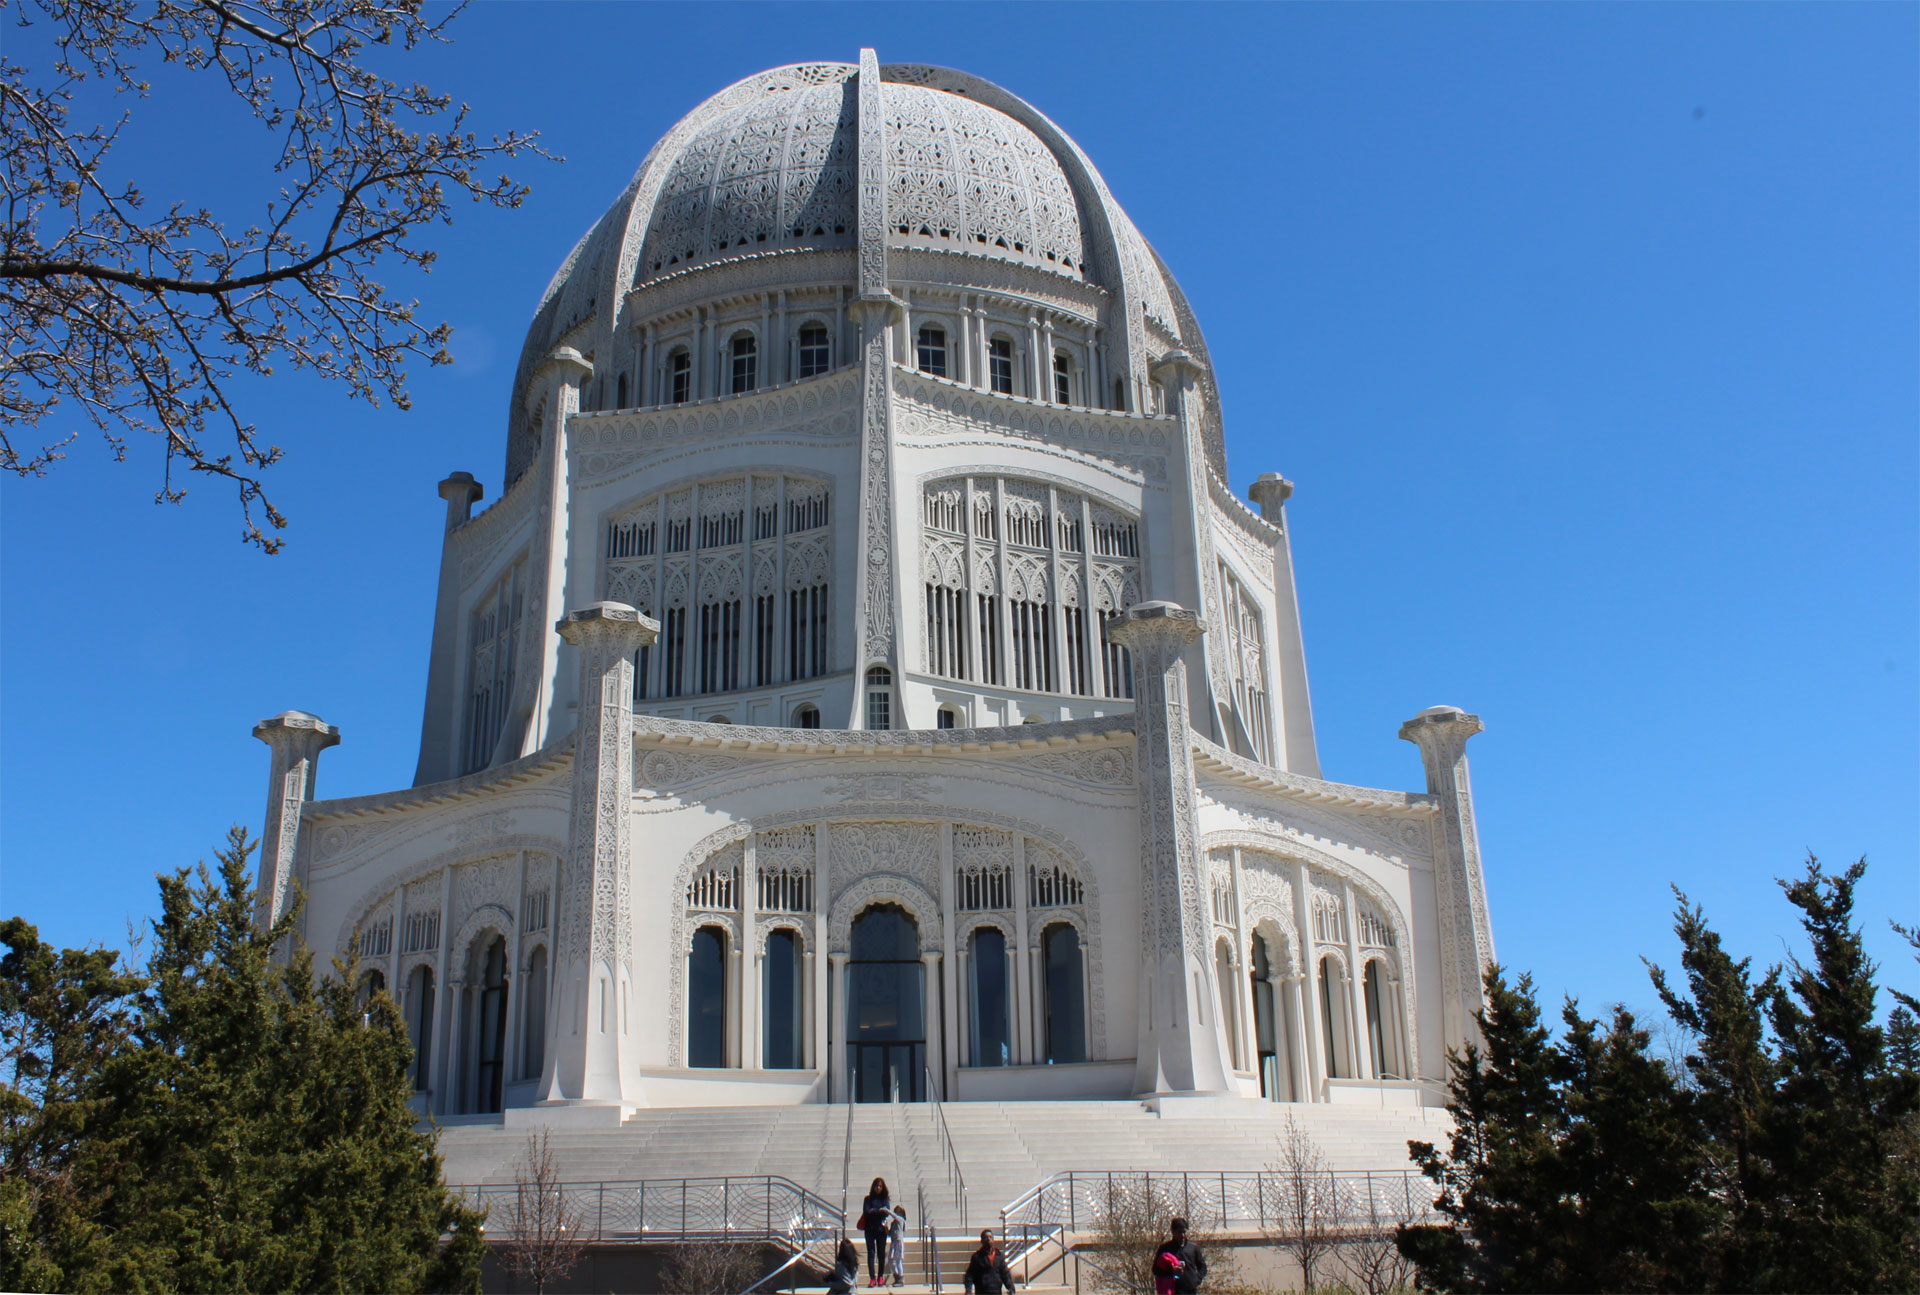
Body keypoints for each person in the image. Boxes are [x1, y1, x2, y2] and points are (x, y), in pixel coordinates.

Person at [1153, 1217, 1206, 1295]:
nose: (1182, 1235)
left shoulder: (1193, 1248)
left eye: (1184, 1232)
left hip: (1190, 1290)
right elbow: (1155, 1270)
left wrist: (1196, 1279)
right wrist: (1171, 1271)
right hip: (1173, 1290)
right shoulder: (1165, 1248)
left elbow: (1202, 1267)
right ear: (1173, 1232)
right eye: (1179, 1232)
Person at [859, 1177, 892, 1288]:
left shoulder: (885, 1199)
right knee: (871, 1253)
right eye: (876, 1186)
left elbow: (886, 1212)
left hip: (881, 1229)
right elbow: (866, 1212)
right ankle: (872, 1278)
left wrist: (874, 1211)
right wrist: (879, 1211)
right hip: (870, 1229)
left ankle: (880, 1277)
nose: (878, 1188)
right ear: (873, 1187)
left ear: (883, 1188)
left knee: (881, 1254)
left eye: (880, 1186)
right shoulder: (868, 1199)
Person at [964, 1228, 1017, 1294]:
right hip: (982, 1291)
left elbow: (1005, 1274)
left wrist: (1011, 1289)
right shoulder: (977, 1257)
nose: (988, 1239)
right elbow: (970, 1275)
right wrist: (968, 1290)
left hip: (996, 1291)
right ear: (981, 1241)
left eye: (990, 1237)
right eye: (986, 1237)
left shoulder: (999, 1256)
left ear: (993, 1240)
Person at [887, 1204, 908, 1287]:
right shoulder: (893, 1223)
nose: (896, 1213)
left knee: (898, 1260)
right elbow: (890, 1233)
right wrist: (886, 1228)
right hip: (893, 1242)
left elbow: (895, 1217)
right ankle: (897, 1275)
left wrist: (887, 1211)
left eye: (898, 1212)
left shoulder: (901, 1220)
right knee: (890, 1260)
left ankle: (901, 1278)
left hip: (898, 1241)